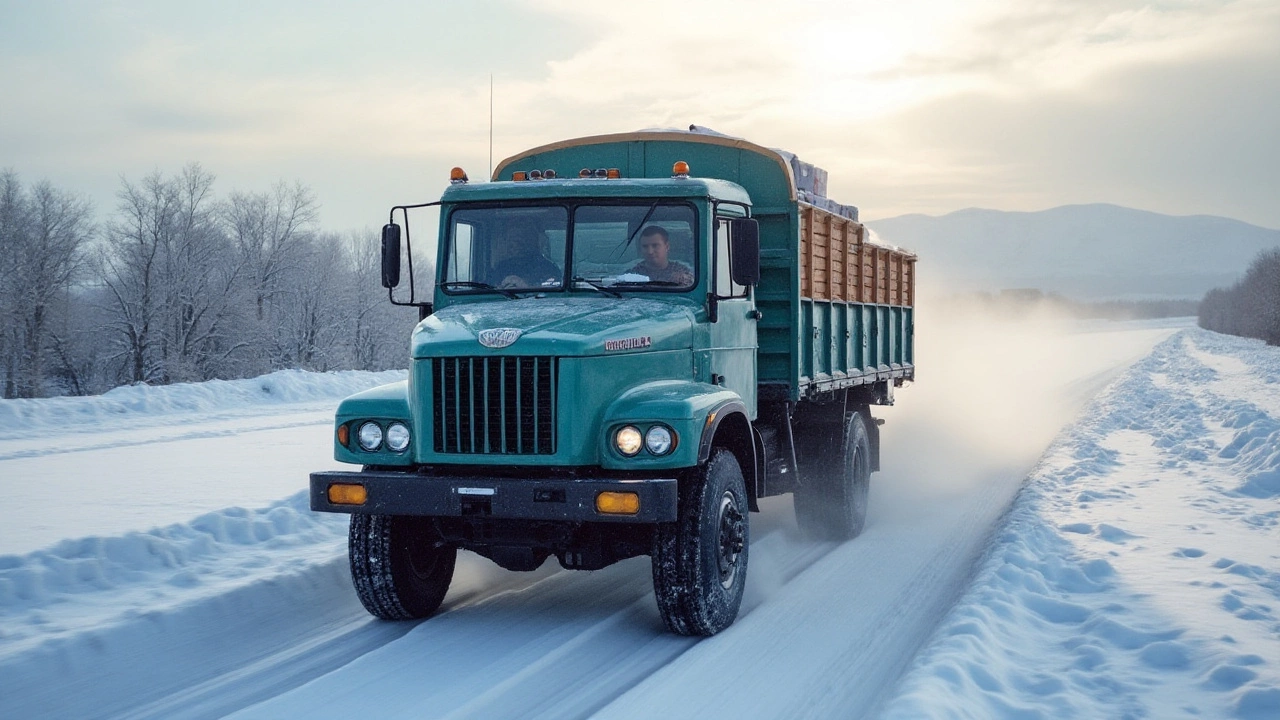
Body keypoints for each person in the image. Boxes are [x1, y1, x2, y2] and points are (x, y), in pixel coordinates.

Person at [490, 225, 561, 288]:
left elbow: (553, 292)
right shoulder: (501, 267)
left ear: (532, 241)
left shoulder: (548, 268)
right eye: (513, 239)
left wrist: (526, 287)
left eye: (521, 238)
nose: (516, 244)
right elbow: (490, 288)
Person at [627, 226, 693, 286]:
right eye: (645, 246)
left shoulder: (682, 272)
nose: (650, 251)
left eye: (655, 246)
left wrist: (681, 282)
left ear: (667, 246)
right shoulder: (632, 275)